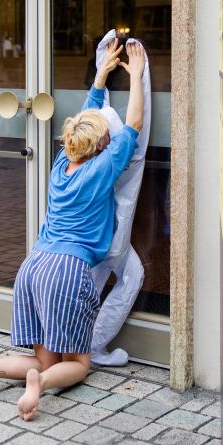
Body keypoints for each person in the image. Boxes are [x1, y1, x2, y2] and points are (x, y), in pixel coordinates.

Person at [0, 37, 146, 420]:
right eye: (107, 135)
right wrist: (136, 74)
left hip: (33, 266)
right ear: (102, 145)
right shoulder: (102, 169)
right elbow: (134, 123)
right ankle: (42, 383)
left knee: (42, 357)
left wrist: (101, 75)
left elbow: (87, 117)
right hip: (67, 271)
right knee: (78, 363)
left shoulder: (62, 162)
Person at [90, 30, 153, 366]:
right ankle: (88, 346)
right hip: (108, 237)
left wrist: (102, 68)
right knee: (129, 276)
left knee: (103, 280)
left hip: (89, 238)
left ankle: (78, 343)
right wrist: (138, 76)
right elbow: (137, 123)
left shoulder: (75, 156)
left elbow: (92, 109)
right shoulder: (120, 158)